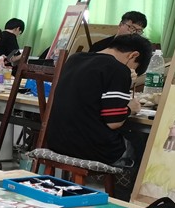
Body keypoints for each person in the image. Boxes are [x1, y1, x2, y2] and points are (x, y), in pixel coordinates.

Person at [43, 34, 153, 199]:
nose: (131, 72)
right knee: (141, 145)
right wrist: (130, 108)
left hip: (56, 141)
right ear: (133, 55)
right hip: (87, 147)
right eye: (134, 68)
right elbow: (114, 123)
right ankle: (124, 202)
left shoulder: (75, 59)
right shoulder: (118, 69)